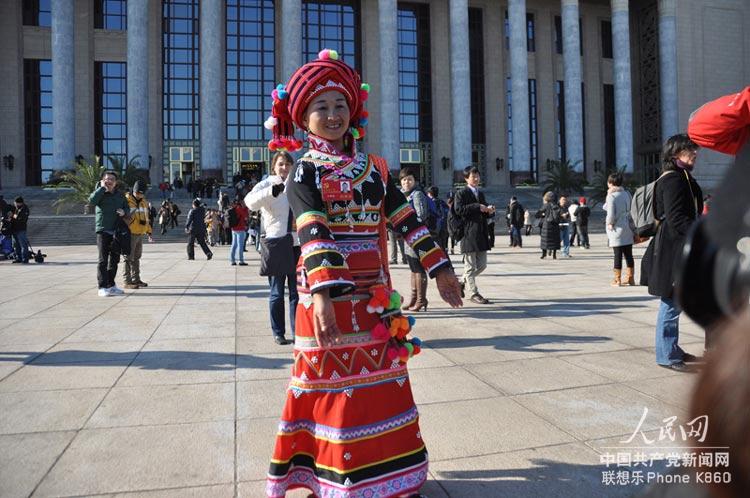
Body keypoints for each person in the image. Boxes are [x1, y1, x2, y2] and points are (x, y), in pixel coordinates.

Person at [263, 48, 462, 497]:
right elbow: (313, 233)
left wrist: (440, 269)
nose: (333, 115)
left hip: (374, 298)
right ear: (304, 117)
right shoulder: (303, 173)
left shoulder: (373, 170)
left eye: (339, 105)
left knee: (381, 385)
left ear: (352, 110)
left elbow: (406, 221)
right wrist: (322, 300)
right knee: (328, 388)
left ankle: (389, 478)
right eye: (321, 107)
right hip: (326, 297)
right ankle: (334, 480)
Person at [647, 134, 703, 372]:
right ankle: (666, 355)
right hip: (673, 250)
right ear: (675, 154)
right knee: (671, 302)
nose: (695, 153)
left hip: (680, 247)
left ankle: (672, 348)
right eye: (690, 150)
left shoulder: (684, 177)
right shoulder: (672, 180)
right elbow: (676, 218)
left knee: (676, 301)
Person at [245, 151, 299, 345]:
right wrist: (271, 192)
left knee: (297, 292)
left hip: (296, 243)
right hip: (276, 243)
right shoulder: (267, 183)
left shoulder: (297, 183)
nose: (284, 168)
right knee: (277, 292)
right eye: (281, 164)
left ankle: (297, 332)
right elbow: (249, 203)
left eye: (288, 164)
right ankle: (278, 332)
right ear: (274, 166)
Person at [454, 165, 494, 304]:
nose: (476, 179)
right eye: (473, 176)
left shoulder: (480, 193)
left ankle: (461, 281)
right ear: (466, 178)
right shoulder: (461, 193)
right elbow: (458, 209)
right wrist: (477, 206)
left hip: (481, 232)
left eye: (477, 176)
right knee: (470, 266)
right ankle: (474, 293)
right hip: (468, 233)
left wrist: (489, 210)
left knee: (482, 265)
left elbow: (483, 208)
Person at [88, 170, 130, 297]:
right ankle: (102, 286)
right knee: (103, 260)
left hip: (116, 231)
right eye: (107, 179)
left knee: (115, 260)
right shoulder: (99, 193)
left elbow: (127, 208)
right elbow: (92, 201)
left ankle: (111, 285)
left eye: (112, 179)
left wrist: (124, 212)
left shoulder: (119, 195)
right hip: (103, 230)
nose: (109, 181)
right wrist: (101, 189)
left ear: (116, 182)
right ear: (102, 180)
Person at [400, 167, 431, 311]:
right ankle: (414, 298)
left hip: (417, 236)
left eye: (410, 179)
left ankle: (421, 299)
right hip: (408, 236)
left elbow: (422, 214)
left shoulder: (417, 194)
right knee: (413, 268)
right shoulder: (405, 195)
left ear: (415, 181)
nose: (407, 182)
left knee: (418, 269)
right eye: (404, 179)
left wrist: (407, 222)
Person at [604, 172, 635, 286]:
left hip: (617, 228)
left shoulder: (611, 195)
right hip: (628, 226)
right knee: (628, 254)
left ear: (611, 183)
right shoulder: (627, 193)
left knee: (618, 255)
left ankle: (617, 280)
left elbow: (611, 213)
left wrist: (609, 223)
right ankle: (630, 278)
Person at [123, 181, 153, 289]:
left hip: (140, 233)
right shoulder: (126, 200)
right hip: (130, 233)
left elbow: (147, 218)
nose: (140, 195)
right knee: (128, 258)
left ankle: (136, 279)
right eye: (138, 193)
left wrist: (149, 231)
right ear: (133, 191)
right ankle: (127, 281)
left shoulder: (144, 202)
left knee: (137, 257)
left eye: (141, 193)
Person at [536, 191, 561, 259]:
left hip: (546, 225)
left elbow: (537, 215)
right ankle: (554, 255)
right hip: (555, 225)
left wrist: (543, 215)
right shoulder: (557, 206)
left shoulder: (546, 205)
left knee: (545, 241)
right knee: (554, 240)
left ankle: (544, 254)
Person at [427, 186, 449, 252]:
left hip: (434, 227)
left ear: (429, 194)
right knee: (442, 246)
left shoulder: (430, 203)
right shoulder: (442, 202)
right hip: (443, 226)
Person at [228, 196, 249, 266]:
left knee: (234, 245)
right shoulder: (240, 208)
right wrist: (246, 208)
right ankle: (241, 260)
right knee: (240, 245)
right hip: (240, 229)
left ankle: (232, 260)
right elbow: (245, 216)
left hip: (234, 229)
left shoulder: (233, 208)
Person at [10, 196, 30, 264]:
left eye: (15, 203)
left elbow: (22, 220)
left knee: (23, 244)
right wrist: (11, 219)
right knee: (16, 245)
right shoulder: (17, 208)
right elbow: (15, 217)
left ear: (19, 203)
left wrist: (14, 220)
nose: (14, 204)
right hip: (14, 229)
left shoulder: (24, 209)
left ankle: (25, 259)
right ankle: (19, 258)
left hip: (21, 229)